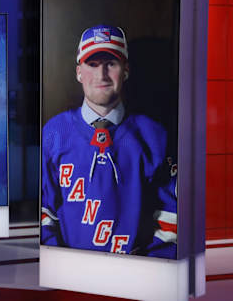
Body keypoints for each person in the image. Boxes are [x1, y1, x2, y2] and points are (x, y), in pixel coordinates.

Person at [41, 25, 177, 259]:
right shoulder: (54, 132)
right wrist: (58, 260)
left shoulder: (155, 135)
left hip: (134, 272)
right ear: (79, 73)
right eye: (92, 64)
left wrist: (150, 265)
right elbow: (43, 209)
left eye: (111, 64)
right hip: (69, 269)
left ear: (125, 71)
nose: (101, 75)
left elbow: (171, 214)